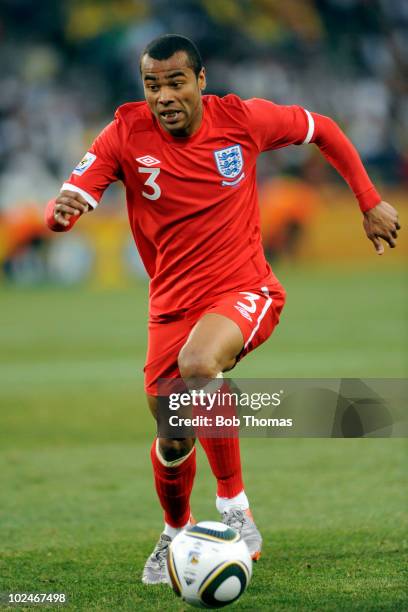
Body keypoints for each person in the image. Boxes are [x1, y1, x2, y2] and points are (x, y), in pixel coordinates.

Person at [45, 34, 400, 584]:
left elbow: (323, 129)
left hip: (245, 290)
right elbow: (76, 188)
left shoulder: (242, 120)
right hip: (169, 308)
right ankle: (175, 532)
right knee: (173, 434)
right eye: (152, 84)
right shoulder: (124, 132)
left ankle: (234, 504)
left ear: (201, 81)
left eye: (175, 82)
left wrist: (368, 199)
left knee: (198, 366)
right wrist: (62, 211)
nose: (163, 95)